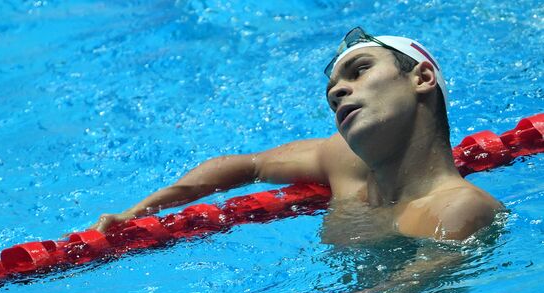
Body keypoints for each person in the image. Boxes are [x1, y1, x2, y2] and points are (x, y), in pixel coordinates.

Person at [91, 27, 502, 240]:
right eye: (332, 94)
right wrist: (141, 210)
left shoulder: (458, 211)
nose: (339, 91)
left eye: (359, 71)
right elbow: (249, 166)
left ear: (422, 78)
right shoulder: (345, 162)